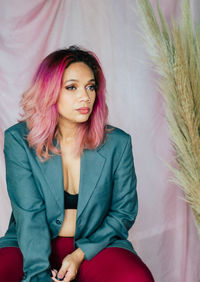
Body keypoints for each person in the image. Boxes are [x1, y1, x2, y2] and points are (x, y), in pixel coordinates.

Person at [0, 46, 154, 282]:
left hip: (95, 244)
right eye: (72, 87)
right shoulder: (18, 140)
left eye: (90, 87)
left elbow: (123, 212)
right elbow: (29, 214)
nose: (85, 96)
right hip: (27, 243)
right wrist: (38, 276)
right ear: (50, 91)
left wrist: (79, 255)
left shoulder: (118, 143)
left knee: (136, 278)